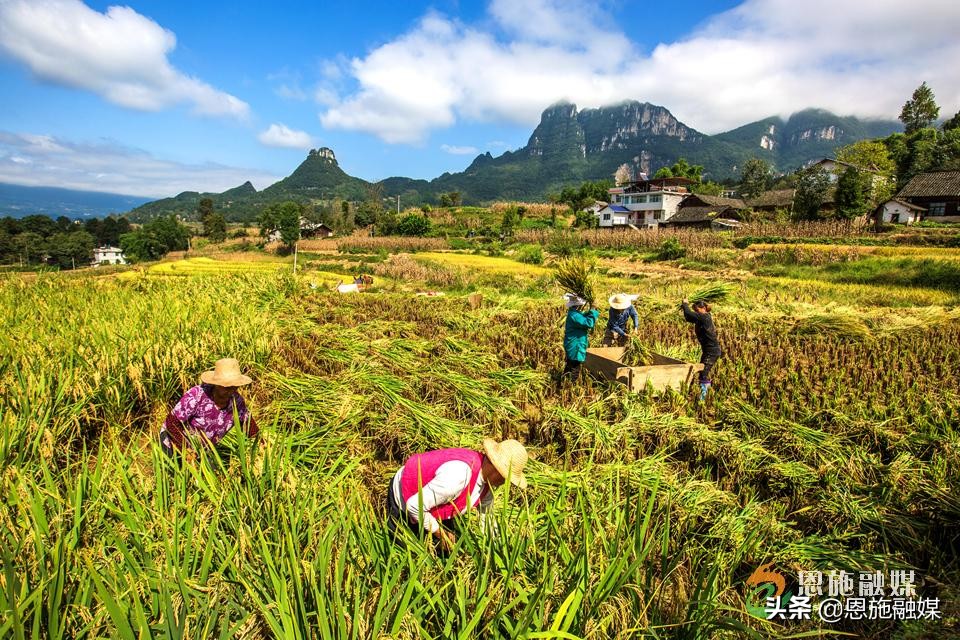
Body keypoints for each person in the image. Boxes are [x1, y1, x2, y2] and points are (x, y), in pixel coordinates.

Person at [386, 438, 528, 552]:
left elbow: (487, 518)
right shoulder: (458, 476)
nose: (505, 483)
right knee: (410, 554)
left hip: (435, 504)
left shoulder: (488, 485)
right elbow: (414, 506)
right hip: (406, 498)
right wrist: (441, 535)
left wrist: (500, 548)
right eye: (506, 477)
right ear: (496, 469)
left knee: (452, 551)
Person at [159, 358, 259, 458]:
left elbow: (248, 424)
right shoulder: (196, 396)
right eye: (227, 387)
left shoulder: (237, 401)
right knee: (174, 472)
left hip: (202, 450)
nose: (231, 391)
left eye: (235, 386)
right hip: (175, 441)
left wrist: (261, 444)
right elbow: (172, 422)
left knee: (212, 472)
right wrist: (185, 450)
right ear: (216, 384)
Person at [681, 299, 723, 400]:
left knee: (704, 372)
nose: (696, 312)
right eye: (695, 310)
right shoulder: (700, 317)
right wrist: (684, 308)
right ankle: (702, 394)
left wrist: (685, 303)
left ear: (703, 308)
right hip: (707, 350)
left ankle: (704, 398)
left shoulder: (704, 317)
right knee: (702, 372)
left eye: (697, 310)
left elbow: (689, 314)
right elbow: (688, 317)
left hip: (712, 351)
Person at [562, 293, 599, 377]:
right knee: (575, 368)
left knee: (570, 366)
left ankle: (563, 383)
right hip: (575, 345)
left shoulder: (574, 313)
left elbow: (583, 316)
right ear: (578, 306)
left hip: (573, 344)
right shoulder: (575, 315)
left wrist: (592, 310)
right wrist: (592, 310)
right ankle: (570, 386)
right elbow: (588, 323)